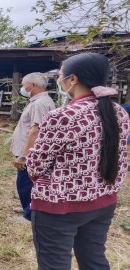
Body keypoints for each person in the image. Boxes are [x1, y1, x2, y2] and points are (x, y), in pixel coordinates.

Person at [26, 53, 130, 269]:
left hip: (59, 206)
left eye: (60, 76)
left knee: (54, 264)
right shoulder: (119, 112)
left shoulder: (63, 116)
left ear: (72, 79)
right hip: (103, 202)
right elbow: (121, 158)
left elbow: (36, 164)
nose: (59, 80)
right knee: (94, 261)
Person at [8, 72, 56, 223]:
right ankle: (27, 207)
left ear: (33, 85)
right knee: (26, 182)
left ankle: (30, 215)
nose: (22, 88)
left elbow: (36, 130)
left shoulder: (40, 103)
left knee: (25, 183)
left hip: (29, 152)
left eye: (23, 85)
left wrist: (24, 155)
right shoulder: (38, 101)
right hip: (28, 150)